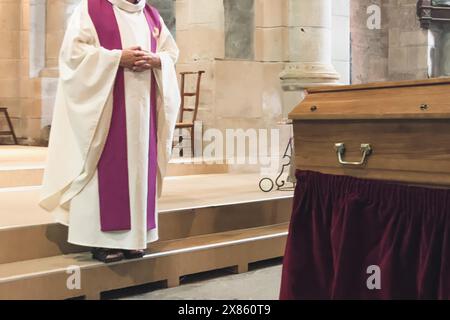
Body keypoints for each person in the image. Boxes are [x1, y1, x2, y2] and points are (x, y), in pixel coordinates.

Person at [39, 0, 180, 263]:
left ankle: (135, 239)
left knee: (139, 170)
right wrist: (116, 58)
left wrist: (157, 59)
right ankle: (102, 242)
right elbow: (73, 55)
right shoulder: (91, 9)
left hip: (143, 112)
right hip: (105, 109)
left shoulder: (151, 16)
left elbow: (171, 53)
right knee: (106, 164)